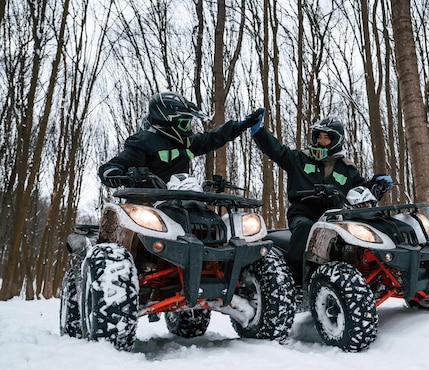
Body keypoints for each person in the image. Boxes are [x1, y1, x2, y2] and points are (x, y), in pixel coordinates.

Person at [243, 108, 392, 284]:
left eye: (326, 137)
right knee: (305, 226)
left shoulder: (347, 168)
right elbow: (277, 151)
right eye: (319, 136)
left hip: (335, 217)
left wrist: (377, 184)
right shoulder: (300, 158)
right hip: (303, 211)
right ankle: (294, 279)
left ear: (336, 140)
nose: (321, 141)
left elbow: (360, 190)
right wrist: (259, 132)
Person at [98, 92, 262, 187]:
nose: (188, 128)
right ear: (167, 120)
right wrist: (113, 173)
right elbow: (116, 163)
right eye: (185, 123)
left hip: (179, 203)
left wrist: (241, 125)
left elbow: (213, 137)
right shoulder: (143, 142)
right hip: (145, 206)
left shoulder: (187, 143)